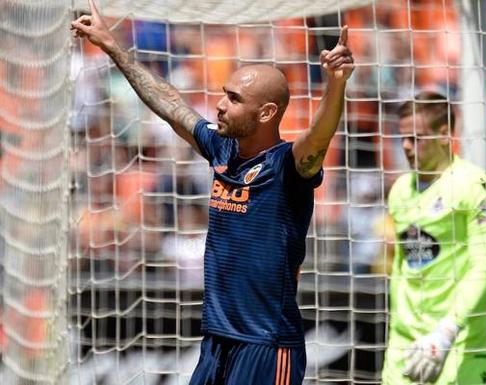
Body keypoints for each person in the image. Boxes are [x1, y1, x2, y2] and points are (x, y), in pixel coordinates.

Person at [71, 1, 354, 384]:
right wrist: (113, 46)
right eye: (225, 93)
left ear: (267, 114)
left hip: (266, 345)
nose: (220, 105)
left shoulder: (288, 166)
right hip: (217, 340)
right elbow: (170, 104)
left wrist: (335, 85)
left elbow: (319, 136)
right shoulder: (223, 149)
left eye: (235, 99)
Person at [382, 91, 486, 385]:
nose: (407, 147)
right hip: (405, 347)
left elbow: (485, 268)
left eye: (416, 138)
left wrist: (446, 331)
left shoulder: (479, 186)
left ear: (444, 135)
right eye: (402, 138)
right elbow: (402, 268)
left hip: (457, 344)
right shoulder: (400, 189)